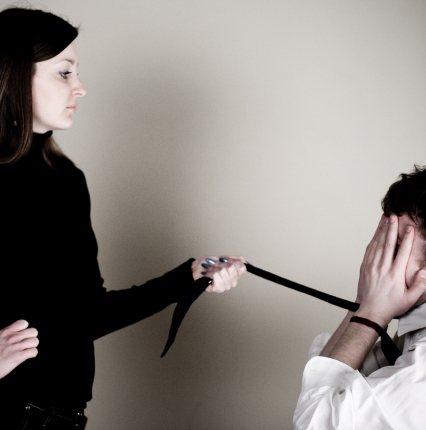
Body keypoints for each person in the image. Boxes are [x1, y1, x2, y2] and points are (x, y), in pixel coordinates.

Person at [0, 7, 246, 429]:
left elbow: (86, 314)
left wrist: (189, 276)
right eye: (64, 73)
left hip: (63, 420)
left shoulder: (66, 181)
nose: (80, 88)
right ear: (15, 75)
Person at [293, 165, 426, 429]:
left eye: (397, 245)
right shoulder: (415, 331)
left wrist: (370, 313)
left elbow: (315, 421)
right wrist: (365, 303)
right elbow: (330, 378)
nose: (378, 260)